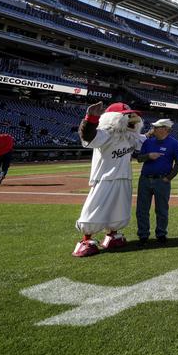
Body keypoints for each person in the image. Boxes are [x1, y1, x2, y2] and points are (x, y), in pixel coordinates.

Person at [73, 102, 147, 257]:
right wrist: (91, 118)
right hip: (105, 178)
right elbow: (89, 136)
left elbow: (147, 139)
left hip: (124, 178)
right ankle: (86, 239)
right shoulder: (106, 134)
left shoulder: (131, 136)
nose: (133, 119)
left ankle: (112, 234)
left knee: (120, 208)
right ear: (115, 118)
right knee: (95, 207)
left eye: (133, 116)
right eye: (128, 116)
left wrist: (161, 129)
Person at [135, 118, 178, 247]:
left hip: (162, 180)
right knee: (142, 209)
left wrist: (169, 178)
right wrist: (148, 156)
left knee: (161, 209)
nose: (154, 129)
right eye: (154, 127)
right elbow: (139, 158)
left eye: (157, 127)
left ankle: (161, 234)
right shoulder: (148, 142)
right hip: (145, 179)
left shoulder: (174, 144)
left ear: (166, 129)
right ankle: (143, 235)